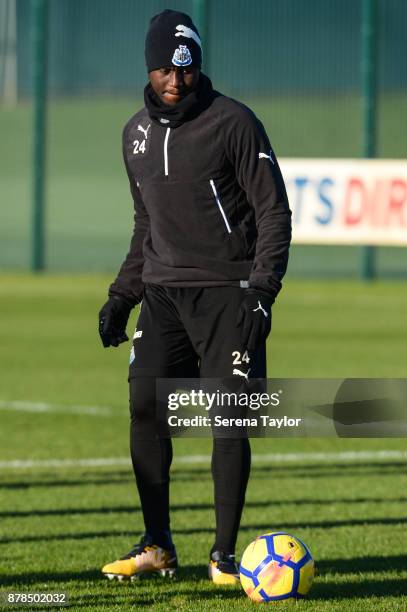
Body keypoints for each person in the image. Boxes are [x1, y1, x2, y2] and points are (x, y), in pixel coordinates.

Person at [98, 9, 291, 585]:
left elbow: (273, 212)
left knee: (228, 422)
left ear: (197, 66)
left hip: (229, 295)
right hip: (161, 296)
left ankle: (225, 557)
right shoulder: (133, 134)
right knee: (144, 410)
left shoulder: (234, 122)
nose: (176, 81)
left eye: (185, 69)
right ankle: (158, 545)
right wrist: (121, 294)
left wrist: (262, 291)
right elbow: (145, 224)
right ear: (149, 68)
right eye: (164, 69)